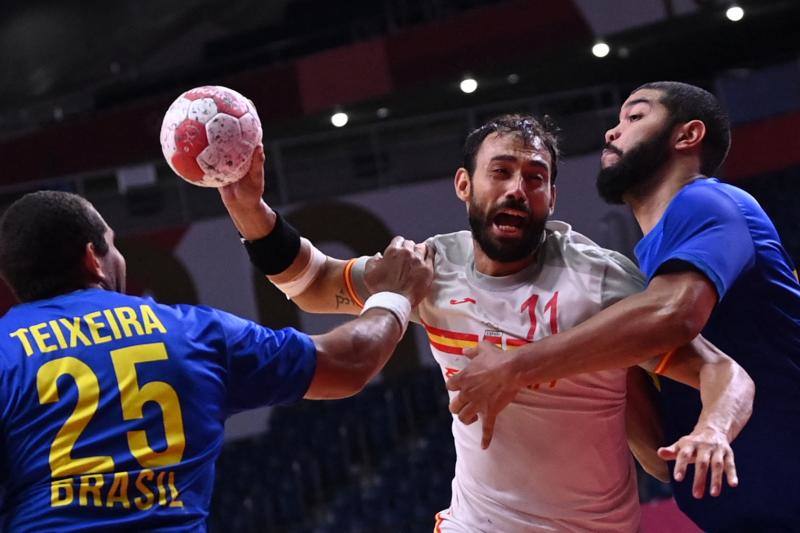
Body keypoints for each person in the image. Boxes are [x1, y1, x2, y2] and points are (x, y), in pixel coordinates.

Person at [220, 115, 753, 532]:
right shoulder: (429, 267)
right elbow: (312, 281)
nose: (518, 189)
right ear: (463, 185)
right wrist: (250, 210)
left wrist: (711, 430)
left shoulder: (600, 281)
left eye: (535, 177)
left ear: (551, 197)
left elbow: (723, 373)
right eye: (500, 172)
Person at [448, 82, 800, 531]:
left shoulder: (707, 201)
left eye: (634, 117)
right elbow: (659, 455)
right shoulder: (649, 264)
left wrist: (516, 367)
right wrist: (607, 366)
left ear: (687, 136)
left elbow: (674, 315)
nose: (612, 133)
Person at [0, 190, 433, 531]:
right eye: (113, 245)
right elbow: (349, 362)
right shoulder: (193, 332)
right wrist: (393, 294)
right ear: (92, 258)